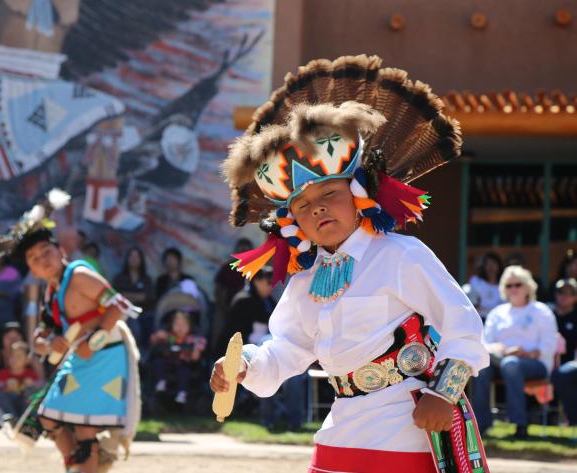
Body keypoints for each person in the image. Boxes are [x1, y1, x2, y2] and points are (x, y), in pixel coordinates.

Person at [210, 55, 490, 472]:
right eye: (303, 206)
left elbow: (463, 325)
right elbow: (290, 347)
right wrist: (245, 366)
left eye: (329, 195)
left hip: (408, 424)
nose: (318, 210)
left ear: (360, 194)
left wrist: (443, 394)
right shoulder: (305, 278)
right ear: (292, 221)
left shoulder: (400, 255)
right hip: (341, 426)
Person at [0, 189, 140, 473]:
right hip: (82, 358)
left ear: (61, 251)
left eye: (47, 252)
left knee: (82, 426)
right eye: (34, 258)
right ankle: (79, 467)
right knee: (47, 417)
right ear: (31, 269)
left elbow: (119, 306)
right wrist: (46, 344)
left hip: (105, 355)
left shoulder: (78, 275)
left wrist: (94, 341)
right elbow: (42, 337)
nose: (43, 260)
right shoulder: (51, 292)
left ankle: (88, 465)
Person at [472, 265, 558, 438]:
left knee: (511, 364)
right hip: (501, 359)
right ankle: (480, 424)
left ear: (528, 287)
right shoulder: (498, 312)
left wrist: (526, 353)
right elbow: (485, 342)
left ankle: (520, 424)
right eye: (509, 285)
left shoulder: (541, 311)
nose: (513, 289)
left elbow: (550, 343)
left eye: (517, 284)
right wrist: (496, 348)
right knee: (480, 366)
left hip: (536, 362)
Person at [0, 322, 44, 426]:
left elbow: (42, 384)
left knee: (32, 393)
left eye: (16, 337)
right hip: (3, 401)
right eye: (8, 337)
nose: (13, 341)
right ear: (2, 339)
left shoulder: (32, 358)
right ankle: (10, 422)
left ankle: (29, 422)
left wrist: (32, 385)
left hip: (24, 402)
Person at [150, 310, 206, 404]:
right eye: (177, 324)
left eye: (183, 325)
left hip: (184, 364)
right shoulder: (169, 336)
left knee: (183, 371)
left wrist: (194, 350)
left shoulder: (193, 339)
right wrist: (157, 336)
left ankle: (182, 392)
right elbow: (153, 341)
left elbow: (196, 356)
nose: (180, 328)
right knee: (158, 362)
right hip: (169, 363)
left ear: (190, 326)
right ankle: (161, 381)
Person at [0, 341, 42, 425]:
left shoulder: (30, 374)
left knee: (32, 393)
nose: (14, 359)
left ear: (27, 360)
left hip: (23, 404)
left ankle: (28, 419)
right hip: (10, 403)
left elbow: (40, 386)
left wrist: (32, 384)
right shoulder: (3, 373)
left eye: (19, 357)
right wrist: (6, 387)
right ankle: (12, 420)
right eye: (12, 356)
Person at [211, 238, 253, 354]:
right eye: (241, 249)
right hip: (225, 308)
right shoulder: (227, 267)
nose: (243, 251)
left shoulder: (255, 269)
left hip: (247, 312)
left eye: (246, 249)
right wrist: (225, 306)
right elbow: (218, 290)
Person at [220, 267, 275, 352]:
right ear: (257, 281)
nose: (272, 287)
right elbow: (237, 333)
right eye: (269, 283)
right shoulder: (244, 300)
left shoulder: (269, 301)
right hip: (239, 351)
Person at [113, 247, 155, 349]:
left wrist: (127, 295)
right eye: (131, 256)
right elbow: (117, 296)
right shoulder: (119, 278)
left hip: (144, 314)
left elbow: (147, 297)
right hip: (123, 313)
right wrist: (136, 296)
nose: (134, 259)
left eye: (137, 256)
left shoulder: (146, 279)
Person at [550, 278, 577, 430]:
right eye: (561, 291)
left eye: (569, 292)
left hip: (571, 364)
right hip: (547, 361)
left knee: (561, 374)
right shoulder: (547, 314)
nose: (564, 295)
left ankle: (572, 421)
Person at [469, 252, 504, 319]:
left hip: (501, 319)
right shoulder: (476, 281)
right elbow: (472, 305)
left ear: (499, 265)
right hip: (481, 319)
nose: (490, 266)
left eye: (493, 263)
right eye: (487, 264)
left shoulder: (507, 284)